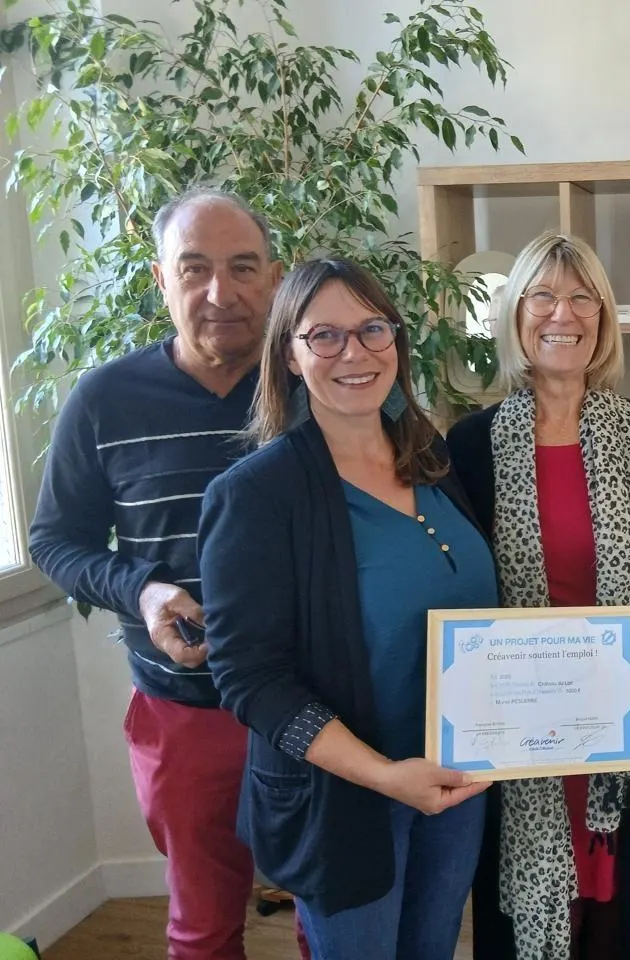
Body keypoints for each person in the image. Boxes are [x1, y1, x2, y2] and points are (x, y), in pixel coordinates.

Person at [197, 258, 494, 960]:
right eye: (324, 336)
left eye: (371, 329)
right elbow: (250, 679)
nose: (354, 353)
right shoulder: (257, 494)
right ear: (290, 356)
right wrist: (386, 776)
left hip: (456, 781)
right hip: (347, 798)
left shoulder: (431, 455)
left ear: (396, 340)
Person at [445, 231, 630, 960]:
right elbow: (457, 596)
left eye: (582, 298)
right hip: (519, 736)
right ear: (515, 314)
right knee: (539, 917)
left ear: (603, 317)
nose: (561, 314)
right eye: (542, 296)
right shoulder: (470, 446)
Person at [28, 188, 282, 960]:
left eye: (243, 267)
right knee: (203, 930)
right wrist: (139, 590)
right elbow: (55, 540)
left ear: (275, 277)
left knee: (336, 921)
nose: (221, 292)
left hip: (321, 706)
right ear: (160, 279)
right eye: (195, 268)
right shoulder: (104, 400)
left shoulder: (321, 385)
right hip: (184, 713)